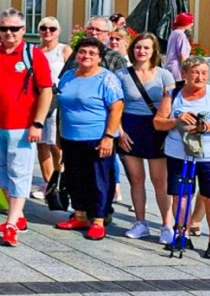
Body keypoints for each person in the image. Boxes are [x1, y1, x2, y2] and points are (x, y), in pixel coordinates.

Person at [0, 8, 53, 247]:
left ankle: (11, 224)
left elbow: (46, 91)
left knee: (19, 173)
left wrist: (38, 123)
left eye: (14, 29)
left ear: (23, 30)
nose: (8, 33)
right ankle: (17, 217)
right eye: (4, 28)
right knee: (0, 173)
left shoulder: (33, 54)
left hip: (22, 126)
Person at [153, 56, 210, 260]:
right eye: (194, 72)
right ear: (184, 74)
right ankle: (182, 234)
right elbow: (158, 122)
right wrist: (176, 120)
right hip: (179, 153)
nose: (200, 77)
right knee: (181, 196)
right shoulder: (173, 94)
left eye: (204, 73)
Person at [54, 37, 124, 240]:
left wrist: (108, 136)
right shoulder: (68, 75)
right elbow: (61, 106)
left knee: (99, 180)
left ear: (100, 57)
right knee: (75, 178)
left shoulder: (107, 78)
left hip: (97, 138)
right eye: (82, 52)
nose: (86, 56)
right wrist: (58, 134)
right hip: (70, 136)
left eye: (92, 53)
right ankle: (80, 215)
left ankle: (98, 220)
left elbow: (117, 108)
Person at [116, 33, 174, 243]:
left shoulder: (164, 75)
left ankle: (167, 225)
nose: (142, 51)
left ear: (153, 51)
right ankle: (140, 222)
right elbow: (115, 105)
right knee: (136, 179)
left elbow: (171, 104)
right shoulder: (121, 74)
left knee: (160, 181)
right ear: (132, 50)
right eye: (138, 47)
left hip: (156, 128)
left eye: (146, 48)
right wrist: (120, 132)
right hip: (130, 128)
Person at [33, 16, 71, 200]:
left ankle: (60, 180)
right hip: (38, 100)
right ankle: (47, 182)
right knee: (41, 143)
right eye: (43, 28)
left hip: (57, 101)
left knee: (55, 144)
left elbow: (72, 73)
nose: (47, 31)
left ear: (58, 31)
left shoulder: (64, 49)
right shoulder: (34, 50)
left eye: (52, 28)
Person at [163, 12, 193, 80]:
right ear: (186, 23)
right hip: (177, 68)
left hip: (170, 66)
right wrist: (185, 70)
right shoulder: (181, 35)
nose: (192, 24)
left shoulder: (174, 33)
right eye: (191, 22)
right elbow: (182, 55)